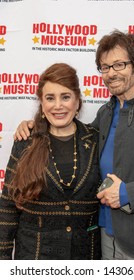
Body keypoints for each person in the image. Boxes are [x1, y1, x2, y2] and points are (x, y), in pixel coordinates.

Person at [13, 29, 134, 260]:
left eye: (119, 65)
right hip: (105, 239)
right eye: (105, 67)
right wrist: (35, 125)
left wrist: (130, 193)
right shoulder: (105, 113)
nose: (111, 73)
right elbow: (71, 130)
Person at [0, 63, 101, 260]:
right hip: (35, 258)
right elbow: (8, 206)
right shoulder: (26, 141)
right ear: (42, 104)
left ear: (77, 101)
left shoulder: (96, 138)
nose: (58, 105)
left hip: (85, 257)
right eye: (50, 98)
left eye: (65, 97)